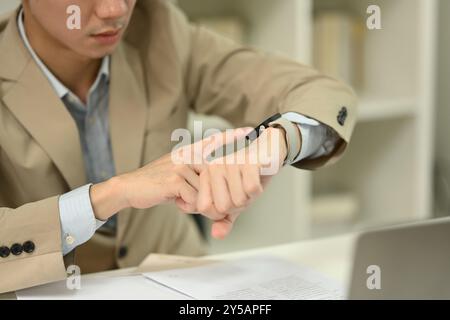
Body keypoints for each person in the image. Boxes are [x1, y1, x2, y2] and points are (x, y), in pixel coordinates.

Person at [0, 0, 357, 293]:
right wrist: (112, 194)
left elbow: (324, 94)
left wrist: (278, 141)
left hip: (183, 286)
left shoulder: (158, 29)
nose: (114, 10)